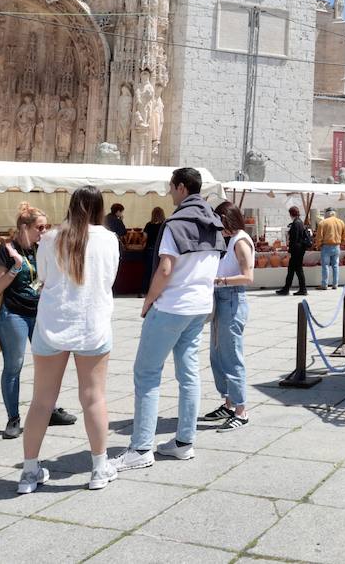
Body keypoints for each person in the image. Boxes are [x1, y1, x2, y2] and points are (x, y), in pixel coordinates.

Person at [119, 168, 224, 470]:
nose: (169, 193)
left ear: (180, 188)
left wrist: (149, 300)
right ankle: (184, 442)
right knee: (189, 374)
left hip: (172, 305)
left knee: (147, 373)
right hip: (200, 306)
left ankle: (140, 448)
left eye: (170, 188)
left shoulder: (175, 222)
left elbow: (166, 268)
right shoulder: (214, 222)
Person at [18, 186, 120, 494]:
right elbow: (110, 278)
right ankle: (100, 468)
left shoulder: (49, 238)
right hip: (91, 324)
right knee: (93, 397)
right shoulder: (108, 239)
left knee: (41, 401)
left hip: (53, 323)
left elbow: (44, 277)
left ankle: (29, 471)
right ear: (99, 208)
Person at [0, 203, 76, 439]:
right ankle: (13, 418)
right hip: (14, 314)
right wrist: (15, 266)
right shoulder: (7, 249)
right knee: (14, 365)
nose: (44, 231)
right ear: (24, 227)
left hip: (41, 312)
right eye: (40, 227)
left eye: (46, 227)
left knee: (48, 364)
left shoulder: (43, 247)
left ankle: (49, 410)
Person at [208, 203, 255, 431]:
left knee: (231, 355)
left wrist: (220, 281)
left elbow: (248, 277)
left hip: (232, 299)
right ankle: (229, 403)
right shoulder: (233, 239)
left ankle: (241, 410)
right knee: (218, 354)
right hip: (223, 299)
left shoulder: (241, 241)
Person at [275, 206, 309, 296]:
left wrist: (290, 251)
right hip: (300, 250)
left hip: (296, 250)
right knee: (294, 270)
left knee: (296, 269)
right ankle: (289, 288)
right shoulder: (300, 222)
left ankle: (300, 289)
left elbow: (294, 239)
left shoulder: (295, 223)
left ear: (291, 214)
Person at [312, 206, 345, 290]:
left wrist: (318, 245)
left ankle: (325, 284)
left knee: (325, 266)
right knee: (335, 266)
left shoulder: (323, 223)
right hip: (337, 246)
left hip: (326, 246)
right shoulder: (341, 222)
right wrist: (341, 244)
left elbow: (319, 237)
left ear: (327, 214)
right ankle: (335, 284)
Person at [141, 206, 166, 296]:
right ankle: (157, 292)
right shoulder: (164, 225)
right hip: (160, 251)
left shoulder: (148, 225)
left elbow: (144, 238)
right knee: (159, 272)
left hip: (149, 250)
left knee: (147, 272)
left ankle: (143, 292)